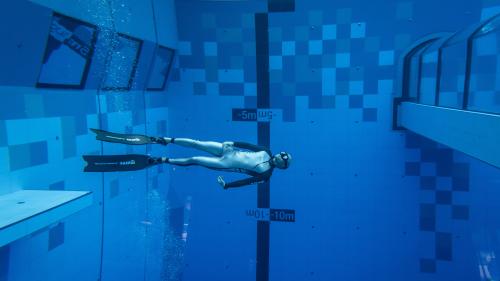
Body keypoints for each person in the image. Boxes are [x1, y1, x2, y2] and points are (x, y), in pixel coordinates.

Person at [83, 129, 292, 189]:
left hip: (226, 164)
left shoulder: (265, 175)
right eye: (282, 155)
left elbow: (247, 181)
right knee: (195, 142)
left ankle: (161, 160)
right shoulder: (265, 149)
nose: (279, 158)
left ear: (281, 166)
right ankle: (164, 139)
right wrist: (232, 141)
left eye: (283, 161)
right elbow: (248, 145)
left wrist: (227, 186)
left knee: (194, 158)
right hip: (228, 151)